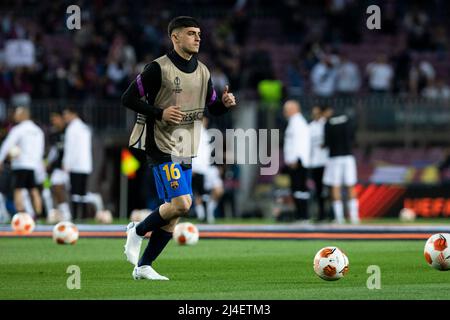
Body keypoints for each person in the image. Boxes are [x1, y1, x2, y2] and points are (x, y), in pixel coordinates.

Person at [121, 16, 237, 280]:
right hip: (160, 144)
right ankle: (137, 231)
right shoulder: (157, 68)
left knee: (174, 212)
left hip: (187, 145)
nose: (198, 38)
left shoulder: (204, 71)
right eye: (191, 33)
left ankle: (144, 266)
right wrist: (159, 112)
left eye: (199, 33)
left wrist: (225, 104)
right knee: (183, 203)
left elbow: (212, 107)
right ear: (175, 37)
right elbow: (127, 98)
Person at [0, 106, 44, 218]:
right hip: (34, 164)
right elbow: (41, 149)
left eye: (16, 114)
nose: (15, 116)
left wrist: (0, 159)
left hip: (20, 164)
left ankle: (21, 215)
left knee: (18, 190)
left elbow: (7, 145)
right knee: (34, 190)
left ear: (22, 115)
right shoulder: (38, 130)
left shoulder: (18, 129)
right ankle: (37, 215)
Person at [322, 106, 359, 224]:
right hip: (348, 156)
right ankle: (354, 217)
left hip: (334, 158)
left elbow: (326, 142)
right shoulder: (347, 120)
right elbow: (353, 138)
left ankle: (339, 218)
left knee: (335, 186)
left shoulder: (328, 123)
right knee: (350, 186)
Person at [62, 107, 93, 221]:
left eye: (66, 115)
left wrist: (66, 164)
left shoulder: (71, 129)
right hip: (86, 165)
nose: (65, 118)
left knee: (74, 192)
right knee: (83, 192)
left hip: (75, 165)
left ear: (73, 114)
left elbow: (70, 149)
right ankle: (84, 216)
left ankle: (75, 216)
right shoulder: (85, 128)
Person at [192, 116, 224, 224]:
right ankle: (201, 216)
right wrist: (191, 167)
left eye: (204, 119)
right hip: (197, 168)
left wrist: (218, 165)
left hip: (208, 168)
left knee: (218, 190)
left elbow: (211, 152)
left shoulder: (207, 133)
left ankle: (209, 212)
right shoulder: (192, 134)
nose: (204, 121)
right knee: (199, 194)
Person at [282, 100, 310, 222]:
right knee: (296, 188)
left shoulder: (298, 122)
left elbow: (300, 142)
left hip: (298, 161)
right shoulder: (294, 122)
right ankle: (300, 214)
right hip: (296, 160)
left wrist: (295, 159)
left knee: (299, 188)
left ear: (294, 109)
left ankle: (303, 215)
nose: (284, 112)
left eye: (286, 109)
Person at [47, 111, 71, 221]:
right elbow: (54, 151)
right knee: (55, 186)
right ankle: (65, 213)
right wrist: (48, 162)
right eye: (52, 120)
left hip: (71, 166)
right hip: (59, 167)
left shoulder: (70, 130)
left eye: (55, 119)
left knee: (79, 194)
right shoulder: (54, 134)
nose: (54, 122)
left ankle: (97, 202)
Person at [309, 105, 329, 222]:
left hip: (325, 162)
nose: (314, 115)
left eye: (316, 112)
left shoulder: (326, 125)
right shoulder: (310, 126)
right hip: (314, 162)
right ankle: (320, 214)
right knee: (318, 190)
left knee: (327, 190)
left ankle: (329, 214)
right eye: (313, 113)